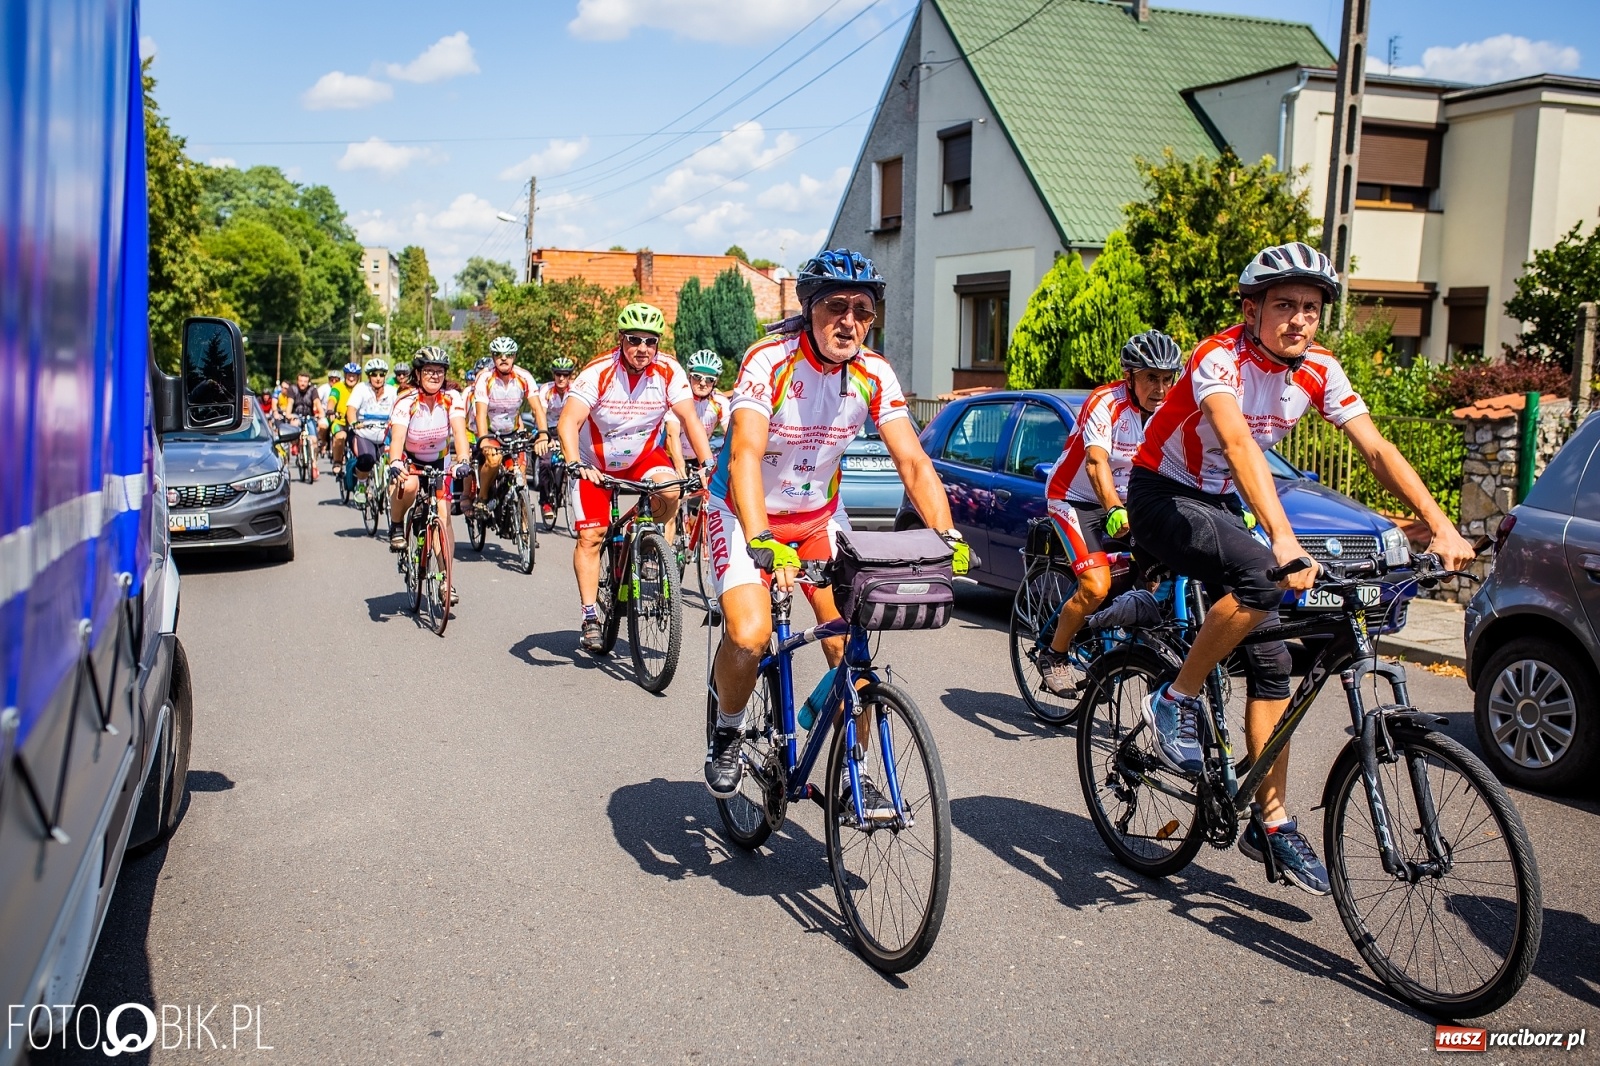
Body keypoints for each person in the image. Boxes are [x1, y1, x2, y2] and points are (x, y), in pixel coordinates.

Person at [1127, 241, 1475, 895]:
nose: (1299, 319)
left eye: (1311, 308)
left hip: (1221, 502)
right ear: (1251, 310)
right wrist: (1283, 539)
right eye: (1284, 305)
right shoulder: (1218, 358)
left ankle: (1272, 822)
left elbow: (1375, 448)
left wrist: (1440, 523)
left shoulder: (1319, 369)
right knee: (1261, 577)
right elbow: (1236, 442)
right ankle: (1172, 700)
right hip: (1161, 495)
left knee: (1273, 663)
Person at [703, 249, 968, 801]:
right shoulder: (769, 360)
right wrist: (760, 539)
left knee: (852, 645)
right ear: (809, 309)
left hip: (819, 517)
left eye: (863, 311)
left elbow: (912, 461)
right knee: (750, 636)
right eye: (836, 307)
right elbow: (745, 454)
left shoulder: (874, 372)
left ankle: (857, 773)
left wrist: (947, 536)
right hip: (744, 512)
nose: (850, 321)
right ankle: (727, 729)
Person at [556, 303, 714, 652]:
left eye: (650, 341)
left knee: (671, 492)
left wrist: (707, 464)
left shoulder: (669, 371)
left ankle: (639, 537)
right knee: (592, 536)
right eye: (634, 340)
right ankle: (590, 616)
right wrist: (574, 463)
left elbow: (690, 419)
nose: (642, 348)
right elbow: (568, 421)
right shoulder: (599, 372)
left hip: (642, 457)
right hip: (594, 462)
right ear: (621, 339)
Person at [1034, 331, 1181, 695]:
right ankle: (1054, 653)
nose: (1161, 388)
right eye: (1151, 377)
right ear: (1129, 376)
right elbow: (1096, 462)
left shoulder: (1170, 409)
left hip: (1130, 501)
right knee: (1095, 585)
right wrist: (1113, 507)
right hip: (1074, 498)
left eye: (1167, 378)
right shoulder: (1105, 402)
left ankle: (1115, 635)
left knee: (1157, 570)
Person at [387, 347, 471, 602]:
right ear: (418, 374)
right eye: (429, 371)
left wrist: (463, 460)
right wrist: (395, 462)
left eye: (439, 371)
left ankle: (446, 581)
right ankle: (396, 524)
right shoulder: (406, 400)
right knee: (410, 485)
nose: (435, 375)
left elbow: (460, 433)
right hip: (410, 458)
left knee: (443, 517)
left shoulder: (452, 397)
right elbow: (397, 439)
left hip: (439, 459)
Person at [472, 336, 551, 512]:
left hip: (514, 432)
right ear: (493, 357)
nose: (503, 358)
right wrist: (484, 440)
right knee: (494, 461)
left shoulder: (524, 377)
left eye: (508, 354)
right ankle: (483, 496)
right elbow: (481, 413)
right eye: (498, 354)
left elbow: (537, 409)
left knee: (519, 473)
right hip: (491, 432)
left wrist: (543, 435)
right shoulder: (485, 378)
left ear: (514, 356)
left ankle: (523, 522)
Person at [663, 349, 728, 477]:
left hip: (699, 458)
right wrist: (679, 465)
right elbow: (672, 434)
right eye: (697, 377)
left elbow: (730, 433)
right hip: (671, 456)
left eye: (709, 379)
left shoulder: (720, 402)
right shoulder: (678, 398)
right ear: (689, 376)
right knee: (672, 488)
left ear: (716, 381)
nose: (703, 383)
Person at [345, 357, 397, 505]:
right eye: (374, 374)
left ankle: (391, 497)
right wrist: (354, 423)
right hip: (364, 434)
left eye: (381, 374)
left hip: (384, 435)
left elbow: (400, 410)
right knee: (367, 459)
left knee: (394, 463)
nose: (378, 378)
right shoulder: (361, 389)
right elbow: (351, 410)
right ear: (369, 376)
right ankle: (361, 485)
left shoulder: (392, 391)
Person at [536, 356, 577, 522]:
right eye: (558, 374)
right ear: (553, 374)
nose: (561, 378)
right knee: (546, 463)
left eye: (565, 375)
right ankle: (546, 502)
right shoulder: (546, 390)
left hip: (569, 429)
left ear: (570, 376)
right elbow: (541, 414)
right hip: (549, 430)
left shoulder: (575, 390)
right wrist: (545, 436)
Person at [328, 361, 362, 471]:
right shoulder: (338, 387)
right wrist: (330, 410)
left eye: (354, 376)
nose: (351, 378)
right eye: (349, 375)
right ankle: (337, 462)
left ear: (358, 377)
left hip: (357, 423)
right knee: (341, 436)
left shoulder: (362, 388)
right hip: (340, 422)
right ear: (345, 375)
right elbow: (332, 399)